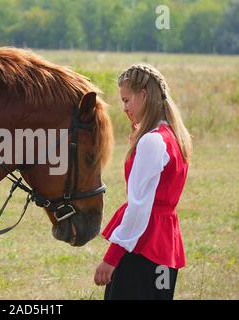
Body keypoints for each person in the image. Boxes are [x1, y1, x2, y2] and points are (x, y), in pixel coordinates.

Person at [93, 64, 192, 300]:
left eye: (127, 100)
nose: (125, 108)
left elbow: (139, 208)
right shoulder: (174, 137)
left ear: (144, 95)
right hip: (166, 248)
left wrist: (111, 259)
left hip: (142, 248)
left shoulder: (152, 142)